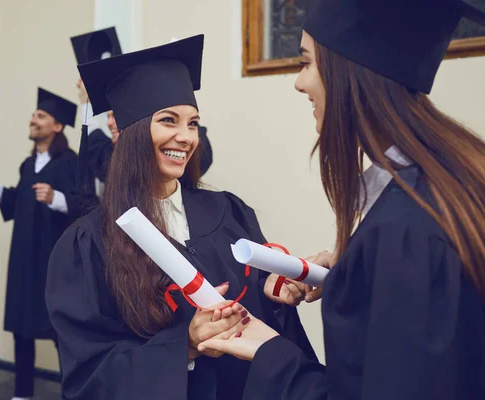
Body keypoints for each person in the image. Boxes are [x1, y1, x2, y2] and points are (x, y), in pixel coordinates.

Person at [197, 1, 485, 399]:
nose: (299, 82)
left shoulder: (404, 233)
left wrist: (270, 354)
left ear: (350, 73)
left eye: (306, 62)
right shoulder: (454, 182)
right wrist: (353, 272)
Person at [46, 35, 316, 400]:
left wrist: (274, 294)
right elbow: (90, 371)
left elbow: (262, 314)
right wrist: (185, 346)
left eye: (193, 124)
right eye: (169, 120)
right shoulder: (88, 243)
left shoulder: (228, 211)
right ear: (129, 133)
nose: (185, 136)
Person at [0, 87, 78, 400]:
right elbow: (18, 203)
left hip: (51, 259)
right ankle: (22, 394)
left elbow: (86, 205)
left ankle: (74, 393)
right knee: (22, 325)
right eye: (34, 115)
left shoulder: (69, 163)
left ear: (57, 126)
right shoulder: (27, 164)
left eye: (41, 115)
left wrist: (56, 198)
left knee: (61, 331)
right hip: (23, 256)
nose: (33, 119)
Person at [71, 28, 214, 198]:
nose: (185, 137)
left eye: (192, 124)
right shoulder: (114, 157)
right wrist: (84, 102)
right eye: (108, 116)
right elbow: (95, 147)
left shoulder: (190, 147)